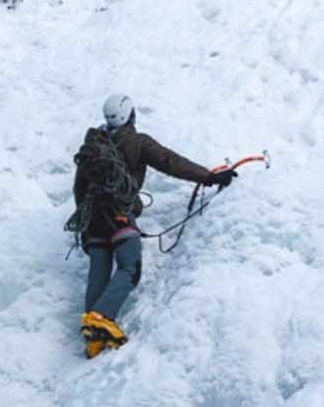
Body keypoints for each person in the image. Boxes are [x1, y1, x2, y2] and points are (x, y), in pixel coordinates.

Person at [73, 92, 235, 356]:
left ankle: (93, 335)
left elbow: (79, 188)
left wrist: (82, 226)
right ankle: (102, 317)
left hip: (91, 219)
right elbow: (170, 161)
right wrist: (208, 177)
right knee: (130, 266)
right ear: (130, 115)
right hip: (118, 214)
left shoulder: (92, 147)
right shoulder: (136, 142)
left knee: (98, 270)